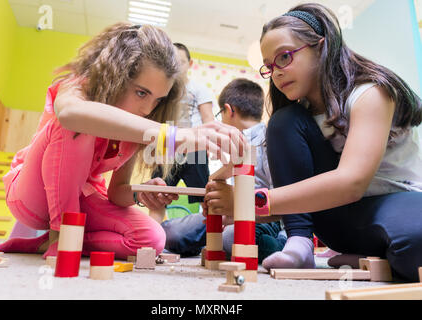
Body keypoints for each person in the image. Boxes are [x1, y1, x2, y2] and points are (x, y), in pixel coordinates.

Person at [205, 3, 422, 282]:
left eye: (284, 57)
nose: (277, 72)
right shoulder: (296, 119)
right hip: (337, 223)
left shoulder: (371, 93)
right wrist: (234, 205)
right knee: (283, 121)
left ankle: (373, 257)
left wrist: (249, 202)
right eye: (269, 66)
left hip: (395, 203)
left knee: (415, 247)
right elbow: (296, 196)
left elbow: (351, 183)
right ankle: (300, 243)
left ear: (321, 47)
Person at [0, 23, 246, 260]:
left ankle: (48, 243)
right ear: (116, 76)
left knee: (152, 239)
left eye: (158, 99)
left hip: (83, 198)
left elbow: (117, 192)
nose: (148, 108)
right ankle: (61, 237)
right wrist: (173, 135)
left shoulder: (137, 125)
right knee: (77, 126)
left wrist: (143, 192)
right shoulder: (78, 87)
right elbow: (71, 115)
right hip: (30, 196)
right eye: (141, 92)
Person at [162, 78, 287, 262]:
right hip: (229, 214)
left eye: (220, 114)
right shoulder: (233, 143)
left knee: (231, 237)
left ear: (229, 110)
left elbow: (280, 199)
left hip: (263, 219)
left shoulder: (268, 139)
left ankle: (281, 243)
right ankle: (214, 242)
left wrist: (238, 207)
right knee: (168, 232)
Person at [149, 43, 214, 223]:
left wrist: (209, 145)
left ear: (190, 63)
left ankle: (210, 240)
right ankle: (153, 241)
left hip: (194, 150)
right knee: (158, 196)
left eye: (181, 62)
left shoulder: (198, 89)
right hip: (166, 148)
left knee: (205, 197)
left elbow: (208, 119)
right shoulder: (163, 91)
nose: (177, 67)